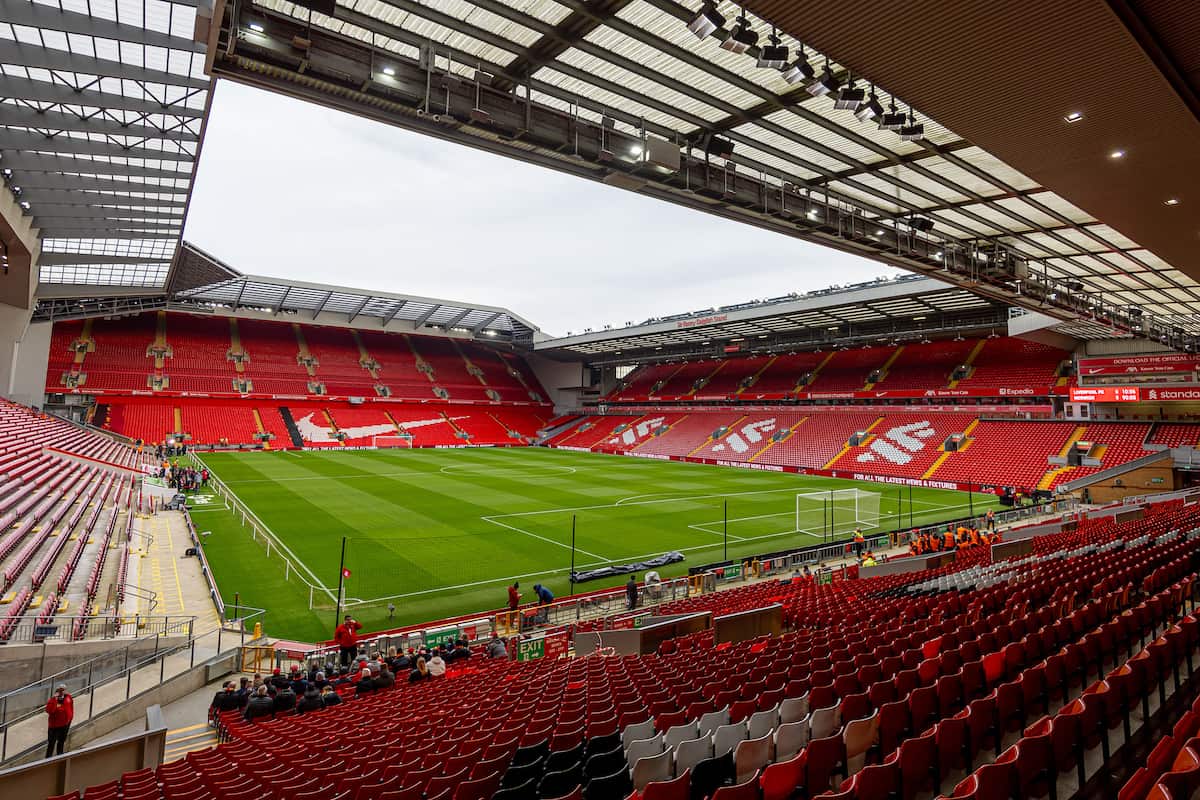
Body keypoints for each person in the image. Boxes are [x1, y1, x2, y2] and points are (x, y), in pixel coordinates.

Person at [45, 684, 73, 758]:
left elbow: (71, 707)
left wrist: (70, 718)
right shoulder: (53, 700)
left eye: (63, 690)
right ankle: (48, 759)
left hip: (65, 724)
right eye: (60, 690)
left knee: (61, 741)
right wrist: (55, 699)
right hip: (54, 726)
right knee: (51, 743)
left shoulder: (68, 697)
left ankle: (59, 756)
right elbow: (49, 710)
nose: (62, 692)